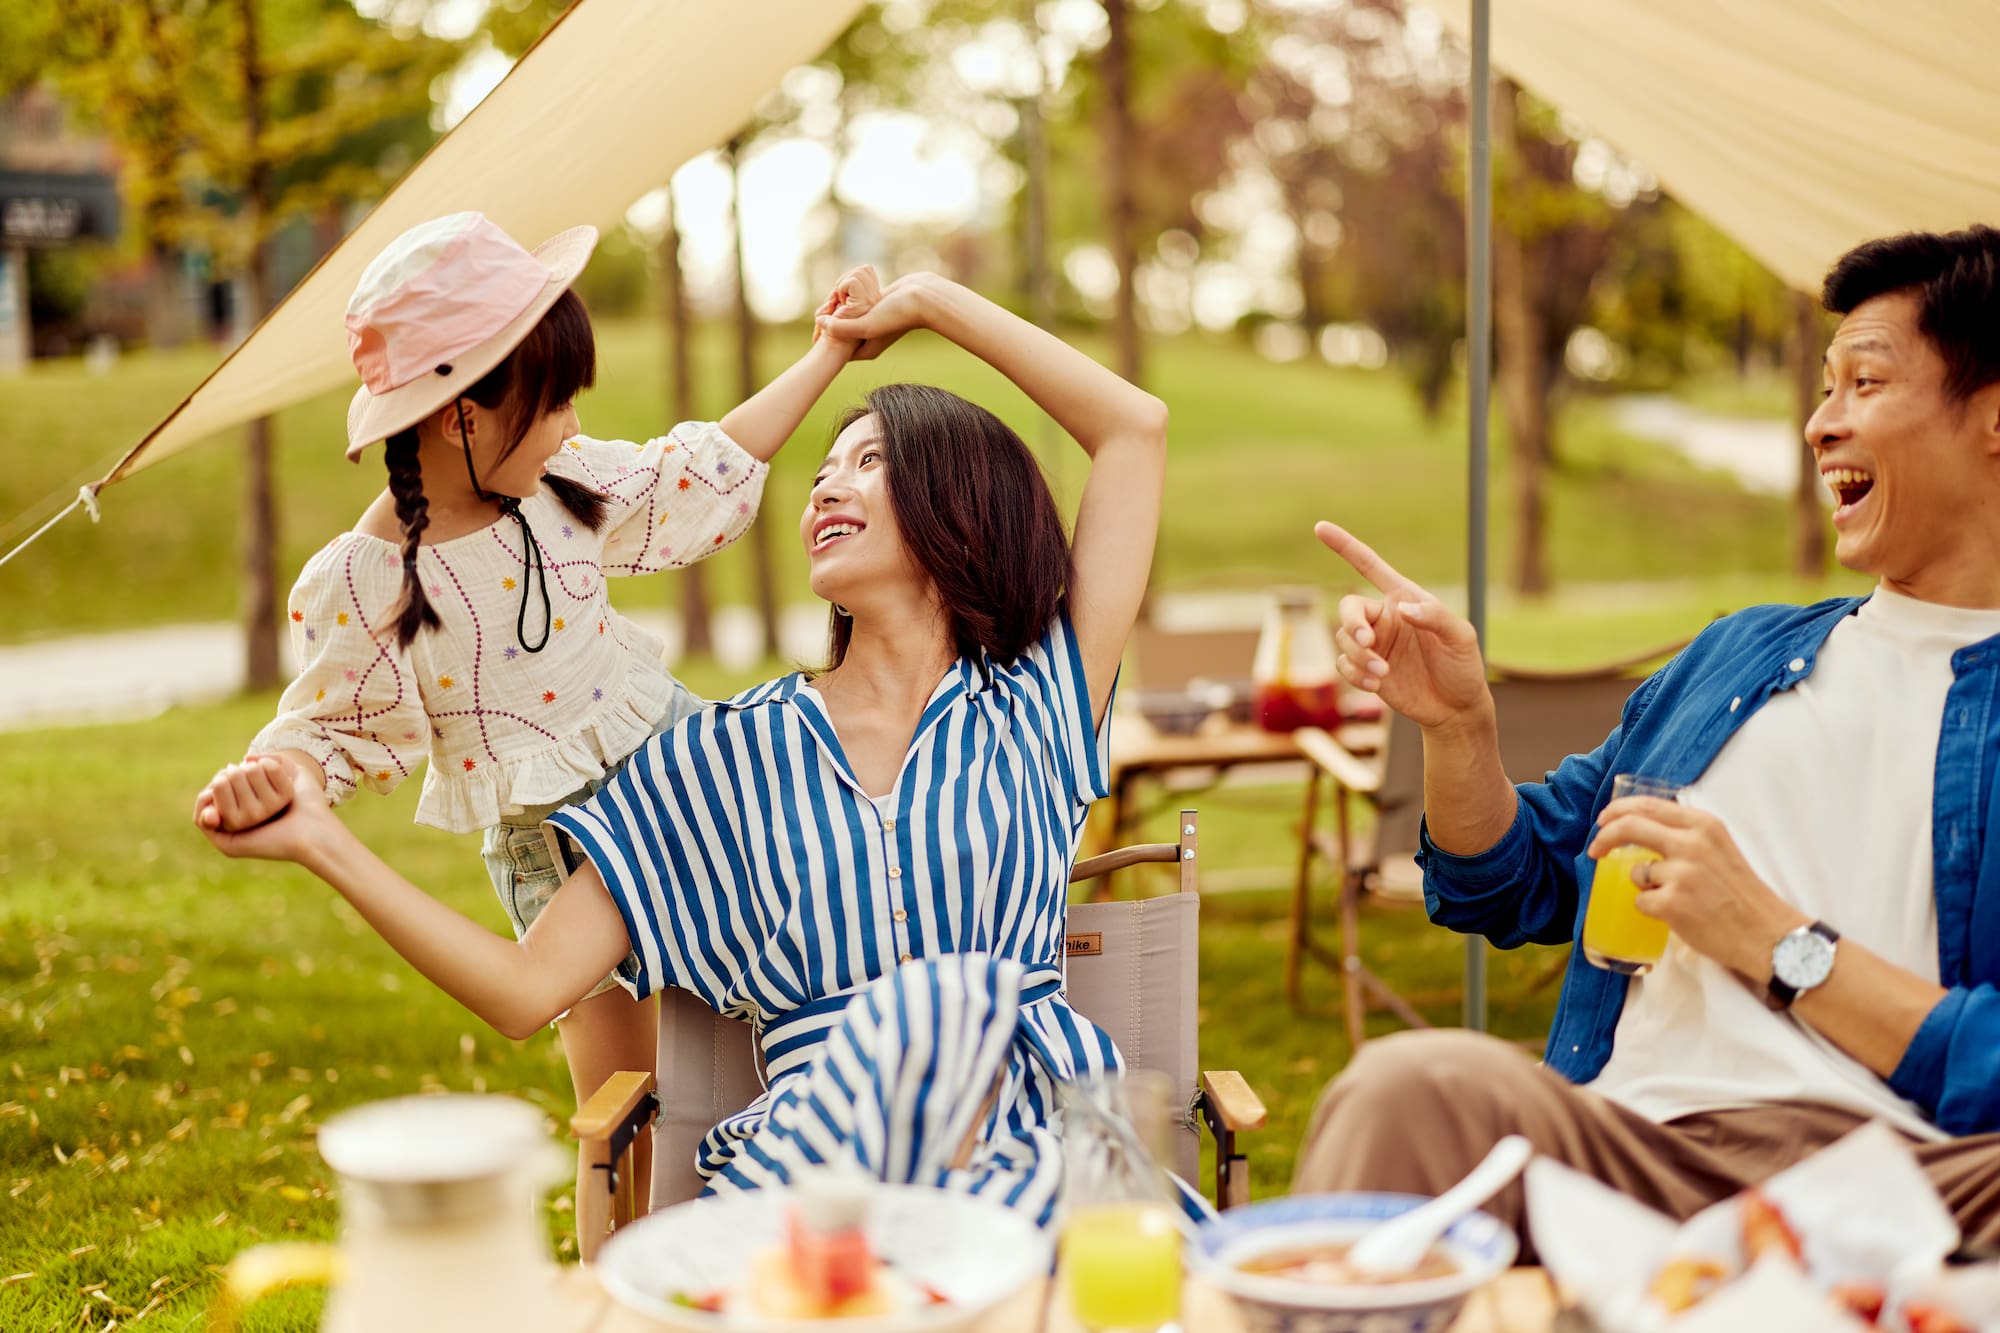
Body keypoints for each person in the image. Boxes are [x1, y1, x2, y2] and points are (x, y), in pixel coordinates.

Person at [193, 270, 1170, 1225]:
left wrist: (925, 303)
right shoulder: (717, 761)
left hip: (1055, 1165)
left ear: (965, 500)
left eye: (868, 461)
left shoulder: (1035, 703)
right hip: (828, 1198)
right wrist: (321, 840)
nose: (826, 481)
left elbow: (1133, 429)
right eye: (822, 468)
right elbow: (527, 990)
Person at [1295, 225, 2000, 1251]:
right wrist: (1456, 727)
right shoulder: (1737, 657)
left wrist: (1776, 944)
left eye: (1863, 383)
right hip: (1633, 1145)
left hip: (1910, 1179)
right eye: (1822, 386)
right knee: (1410, 1085)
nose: (1818, 424)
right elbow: (1510, 878)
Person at [191, 211, 877, 1211]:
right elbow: (330, 730)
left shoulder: (562, 484)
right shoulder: (373, 577)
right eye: (553, 405)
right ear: (463, 415)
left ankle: (772, 1243)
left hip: (689, 794)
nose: (570, 426)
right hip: (562, 857)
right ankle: (616, 1295)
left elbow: (695, 469)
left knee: (748, 1058)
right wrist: (276, 784)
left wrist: (827, 353)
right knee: (624, 1115)